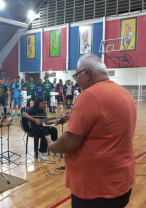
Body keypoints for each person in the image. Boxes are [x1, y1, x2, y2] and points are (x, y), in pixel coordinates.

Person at [46, 54, 136, 208]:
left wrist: (50, 144)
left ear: (87, 74)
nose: (76, 81)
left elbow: (69, 143)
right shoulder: (123, 92)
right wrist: (75, 115)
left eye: (77, 76)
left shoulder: (88, 96)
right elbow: (102, 122)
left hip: (95, 189)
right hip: (121, 182)